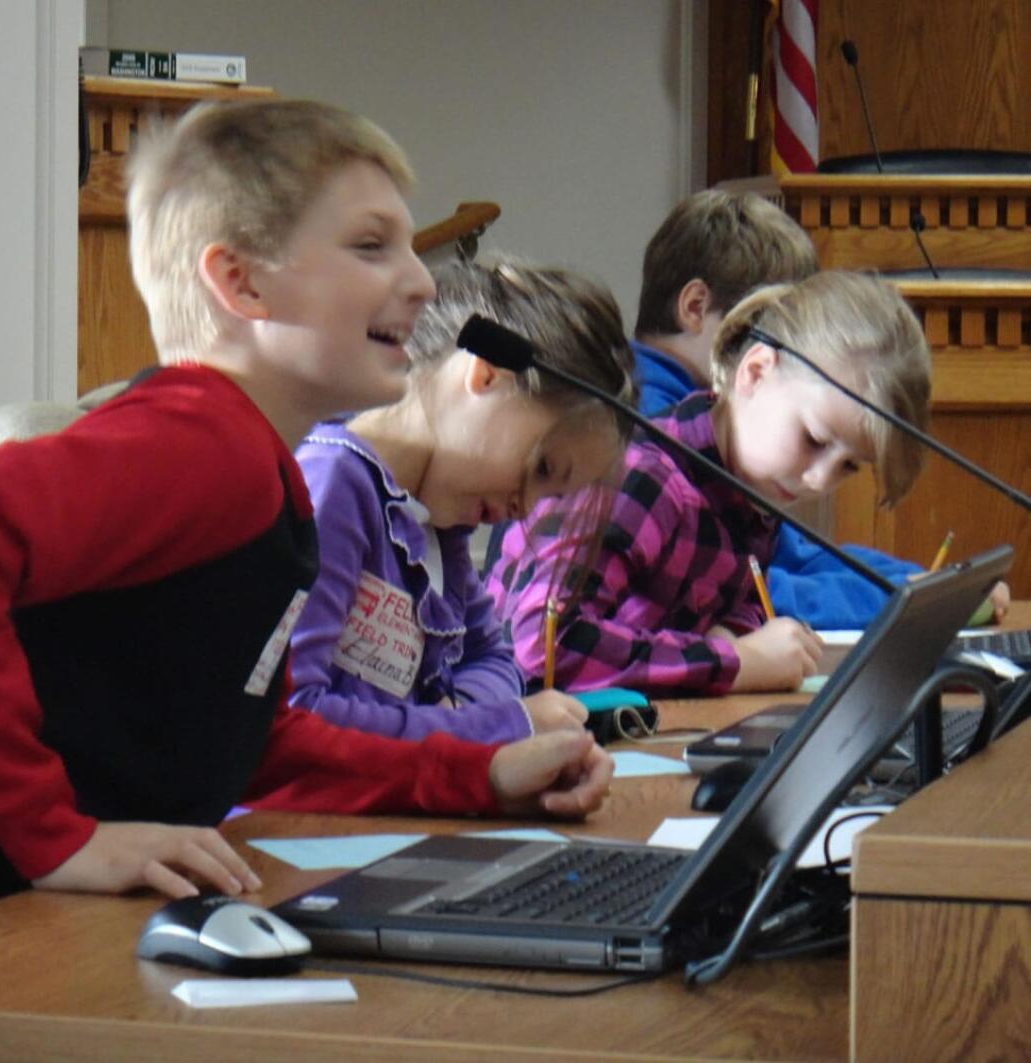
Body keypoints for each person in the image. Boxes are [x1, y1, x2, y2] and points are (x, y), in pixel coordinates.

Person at [0, 99, 612, 943]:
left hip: (65, 932)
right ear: (241, 282)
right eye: (369, 244)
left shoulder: (263, 471)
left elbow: (258, 743)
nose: (423, 279)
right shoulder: (200, 443)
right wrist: (50, 835)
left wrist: (482, 773)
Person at [488, 270, 933, 696]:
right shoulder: (644, 476)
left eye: (849, 466)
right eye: (813, 439)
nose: (819, 479)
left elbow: (727, 605)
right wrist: (734, 661)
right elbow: (542, 647)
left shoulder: (747, 495)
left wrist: (734, 631)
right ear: (755, 372)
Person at [288, 256, 633, 744]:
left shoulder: (439, 522)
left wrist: (460, 711)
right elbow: (297, 716)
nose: (526, 509)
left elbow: (496, 660)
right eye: (543, 469)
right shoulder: (332, 485)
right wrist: (475, 726)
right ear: (487, 376)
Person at [628, 188, 935, 630]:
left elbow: (797, 553)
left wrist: (914, 583)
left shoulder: (732, 439)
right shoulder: (641, 430)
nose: (819, 479)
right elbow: (744, 589)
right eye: (762, 325)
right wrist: (901, 596)